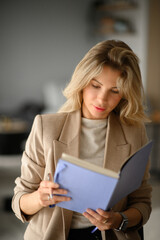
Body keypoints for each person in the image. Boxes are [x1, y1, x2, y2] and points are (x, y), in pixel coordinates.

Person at [12, 40, 152, 240]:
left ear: (125, 94)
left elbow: (142, 203)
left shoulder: (134, 132)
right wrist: (39, 198)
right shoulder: (46, 127)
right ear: (82, 81)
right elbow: (20, 201)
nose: (102, 99)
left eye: (115, 90)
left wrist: (118, 219)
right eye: (96, 85)